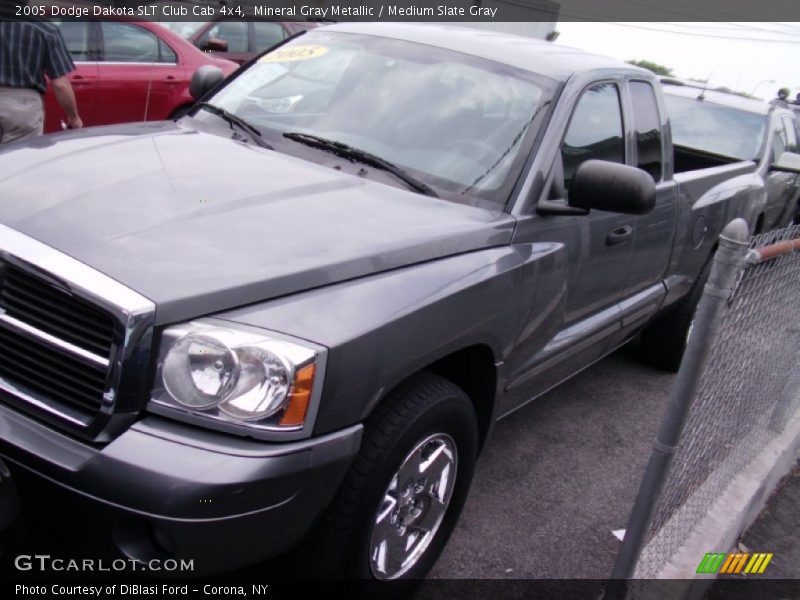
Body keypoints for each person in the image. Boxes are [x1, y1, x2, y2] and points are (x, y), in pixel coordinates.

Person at [0, 12, 83, 144]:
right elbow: (60, 84)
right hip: (22, 105)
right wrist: (74, 117)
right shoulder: (45, 29)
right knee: (19, 154)